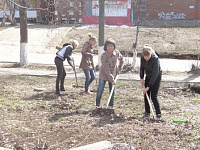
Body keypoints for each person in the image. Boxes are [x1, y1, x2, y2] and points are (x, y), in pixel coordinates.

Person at [96, 38, 124, 108]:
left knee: (112, 90)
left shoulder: (117, 53)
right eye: (108, 46)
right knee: (100, 90)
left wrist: (119, 69)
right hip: (104, 74)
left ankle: (110, 105)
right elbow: (106, 69)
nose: (110, 48)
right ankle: (97, 105)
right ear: (106, 47)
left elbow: (122, 60)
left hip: (113, 73)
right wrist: (112, 80)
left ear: (114, 47)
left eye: (112, 46)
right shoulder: (103, 55)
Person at [140, 45, 162, 120]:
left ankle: (158, 114)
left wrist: (148, 86)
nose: (146, 58)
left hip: (156, 77)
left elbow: (155, 74)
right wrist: (141, 78)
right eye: (145, 56)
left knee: (153, 96)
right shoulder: (142, 57)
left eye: (148, 56)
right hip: (148, 76)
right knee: (146, 95)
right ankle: (147, 113)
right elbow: (142, 68)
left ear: (151, 54)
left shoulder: (155, 59)